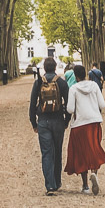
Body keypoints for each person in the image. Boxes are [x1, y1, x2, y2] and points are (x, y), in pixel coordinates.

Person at [65, 63, 105, 195]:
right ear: (85, 74)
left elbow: (70, 109)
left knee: (81, 153)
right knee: (94, 148)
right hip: (94, 122)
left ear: (76, 77)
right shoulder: (94, 85)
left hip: (79, 124)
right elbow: (102, 104)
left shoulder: (73, 89)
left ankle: (85, 186)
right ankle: (94, 173)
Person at [29, 56, 69, 195]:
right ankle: (57, 181)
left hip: (43, 121)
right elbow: (68, 104)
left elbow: (32, 104)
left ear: (45, 68)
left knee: (46, 153)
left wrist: (34, 123)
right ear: (55, 67)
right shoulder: (62, 82)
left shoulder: (38, 82)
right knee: (57, 152)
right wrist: (66, 121)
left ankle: (50, 185)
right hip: (58, 120)